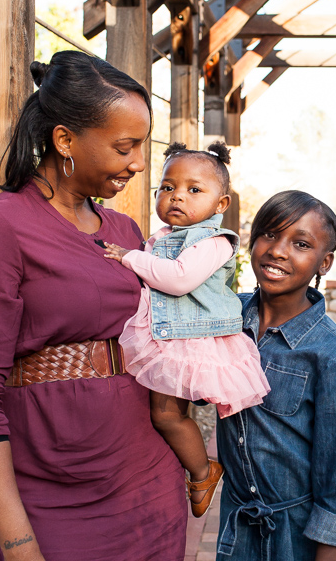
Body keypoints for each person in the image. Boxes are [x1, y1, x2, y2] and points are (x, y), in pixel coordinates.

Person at [0, 50, 187, 561]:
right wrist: (17, 542)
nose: (140, 162)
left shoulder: (125, 233)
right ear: (65, 140)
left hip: (149, 488)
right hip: (53, 497)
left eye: (142, 146)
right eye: (126, 146)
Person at [101, 141, 271, 518]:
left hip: (195, 339)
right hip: (172, 336)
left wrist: (129, 257)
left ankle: (203, 470)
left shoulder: (214, 242)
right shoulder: (162, 237)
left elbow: (179, 280)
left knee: (166, 415)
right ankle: (199, 469)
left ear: (220, 205)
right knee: (163, 413)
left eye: (194, 190)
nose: (177, 196)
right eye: (167, 188)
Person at [215, 191, 336, 561]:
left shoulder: (334, 355)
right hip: (238, 528)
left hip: (300, 538)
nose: (277, 251)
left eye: (300, 244)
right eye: (268, 234)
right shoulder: (225, 320)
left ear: (324, 263)